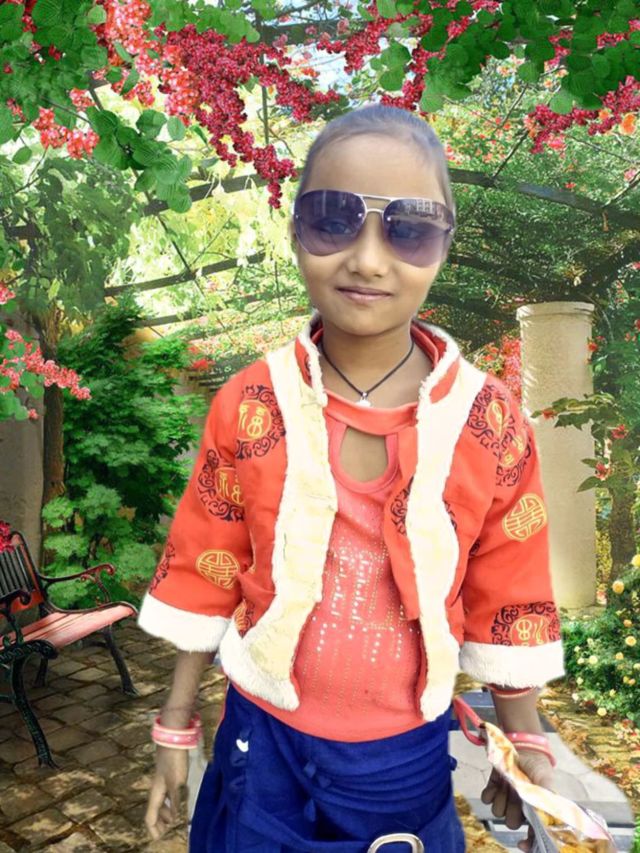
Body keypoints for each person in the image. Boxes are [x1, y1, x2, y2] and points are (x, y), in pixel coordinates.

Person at [138, 103, 565, 853]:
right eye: (333, 219)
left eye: (410, 229)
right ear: (295, 229)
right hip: (261, 745)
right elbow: (206, 566)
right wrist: (176, 724)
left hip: (401, 760)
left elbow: (510, 589)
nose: (367, 259)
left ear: (444, 246)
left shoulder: (488, 421)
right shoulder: (252, 403)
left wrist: (523, 740)